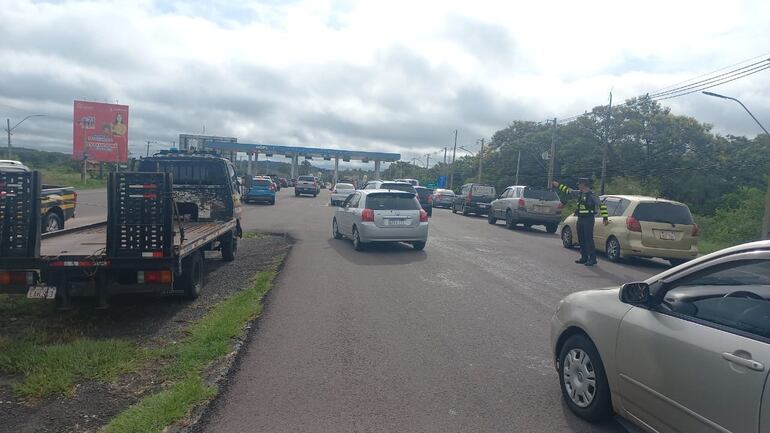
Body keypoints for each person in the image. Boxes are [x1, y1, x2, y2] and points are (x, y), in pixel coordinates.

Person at [552, 178, 608, 266]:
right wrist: (558, 185)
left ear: (584, 185)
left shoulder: (592, 195)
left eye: (579, 184)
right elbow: (568, 190)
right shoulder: (579, 193)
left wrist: (605, 217)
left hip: (589, 219)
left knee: (588, 239)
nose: (578, 186)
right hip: (580, 218)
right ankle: (584, 257)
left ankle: (592, 259)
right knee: (581, 238)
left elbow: (602, 205)